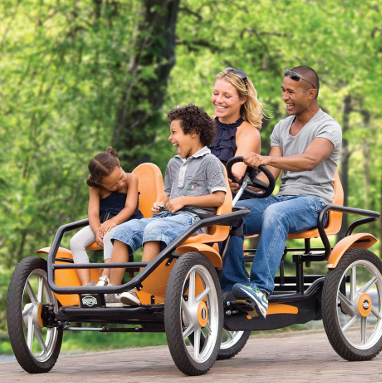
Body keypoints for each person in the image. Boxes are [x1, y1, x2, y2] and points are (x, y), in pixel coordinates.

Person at [221, 66, 342, 318]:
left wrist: (264, 159)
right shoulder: (281, 128)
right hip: (283, 198)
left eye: (291, 92)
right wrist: (242, 185)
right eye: (283, 91)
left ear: (311, 93)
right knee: (231, 211)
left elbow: (309, 160)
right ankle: (232, 286)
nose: (285, 96)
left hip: (315, 202)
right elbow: (270, 178)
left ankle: (260, 290)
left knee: (276, 213)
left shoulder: (328, 127)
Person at [106, 103, 227, 306]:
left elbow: (219, 198)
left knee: (154, 228)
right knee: (124, 230)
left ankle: (140, 290)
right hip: (168, 218)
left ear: (194, 133)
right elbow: (168, 196)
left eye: (174, 132)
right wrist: (160, 204)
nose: (170, 138)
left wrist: (185, 200)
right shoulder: (174, 163)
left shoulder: (210, 161)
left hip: (193, 221)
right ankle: (112, 292)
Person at [70, 147, 143, 287]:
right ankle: (86, 285)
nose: (120, 184)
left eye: (121, 177)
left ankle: (106, 278)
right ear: (100, 184)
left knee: (110, 235)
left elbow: (130, 207)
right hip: (104, 223)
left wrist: (113, 221)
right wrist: (97, 231)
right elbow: (93, 214)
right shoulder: (95, 189)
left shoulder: (131, 179)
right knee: (76, 242)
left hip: (127, 222)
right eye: (113, 185)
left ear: (119, 163)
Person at [210, 67, 270, 191]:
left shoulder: (249, 133)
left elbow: (233, 177)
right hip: (198, 194)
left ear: (243, 99)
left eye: (227, 96)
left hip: (233, 202)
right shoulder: (206, 123)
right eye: (215, 93)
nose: (219, 100)